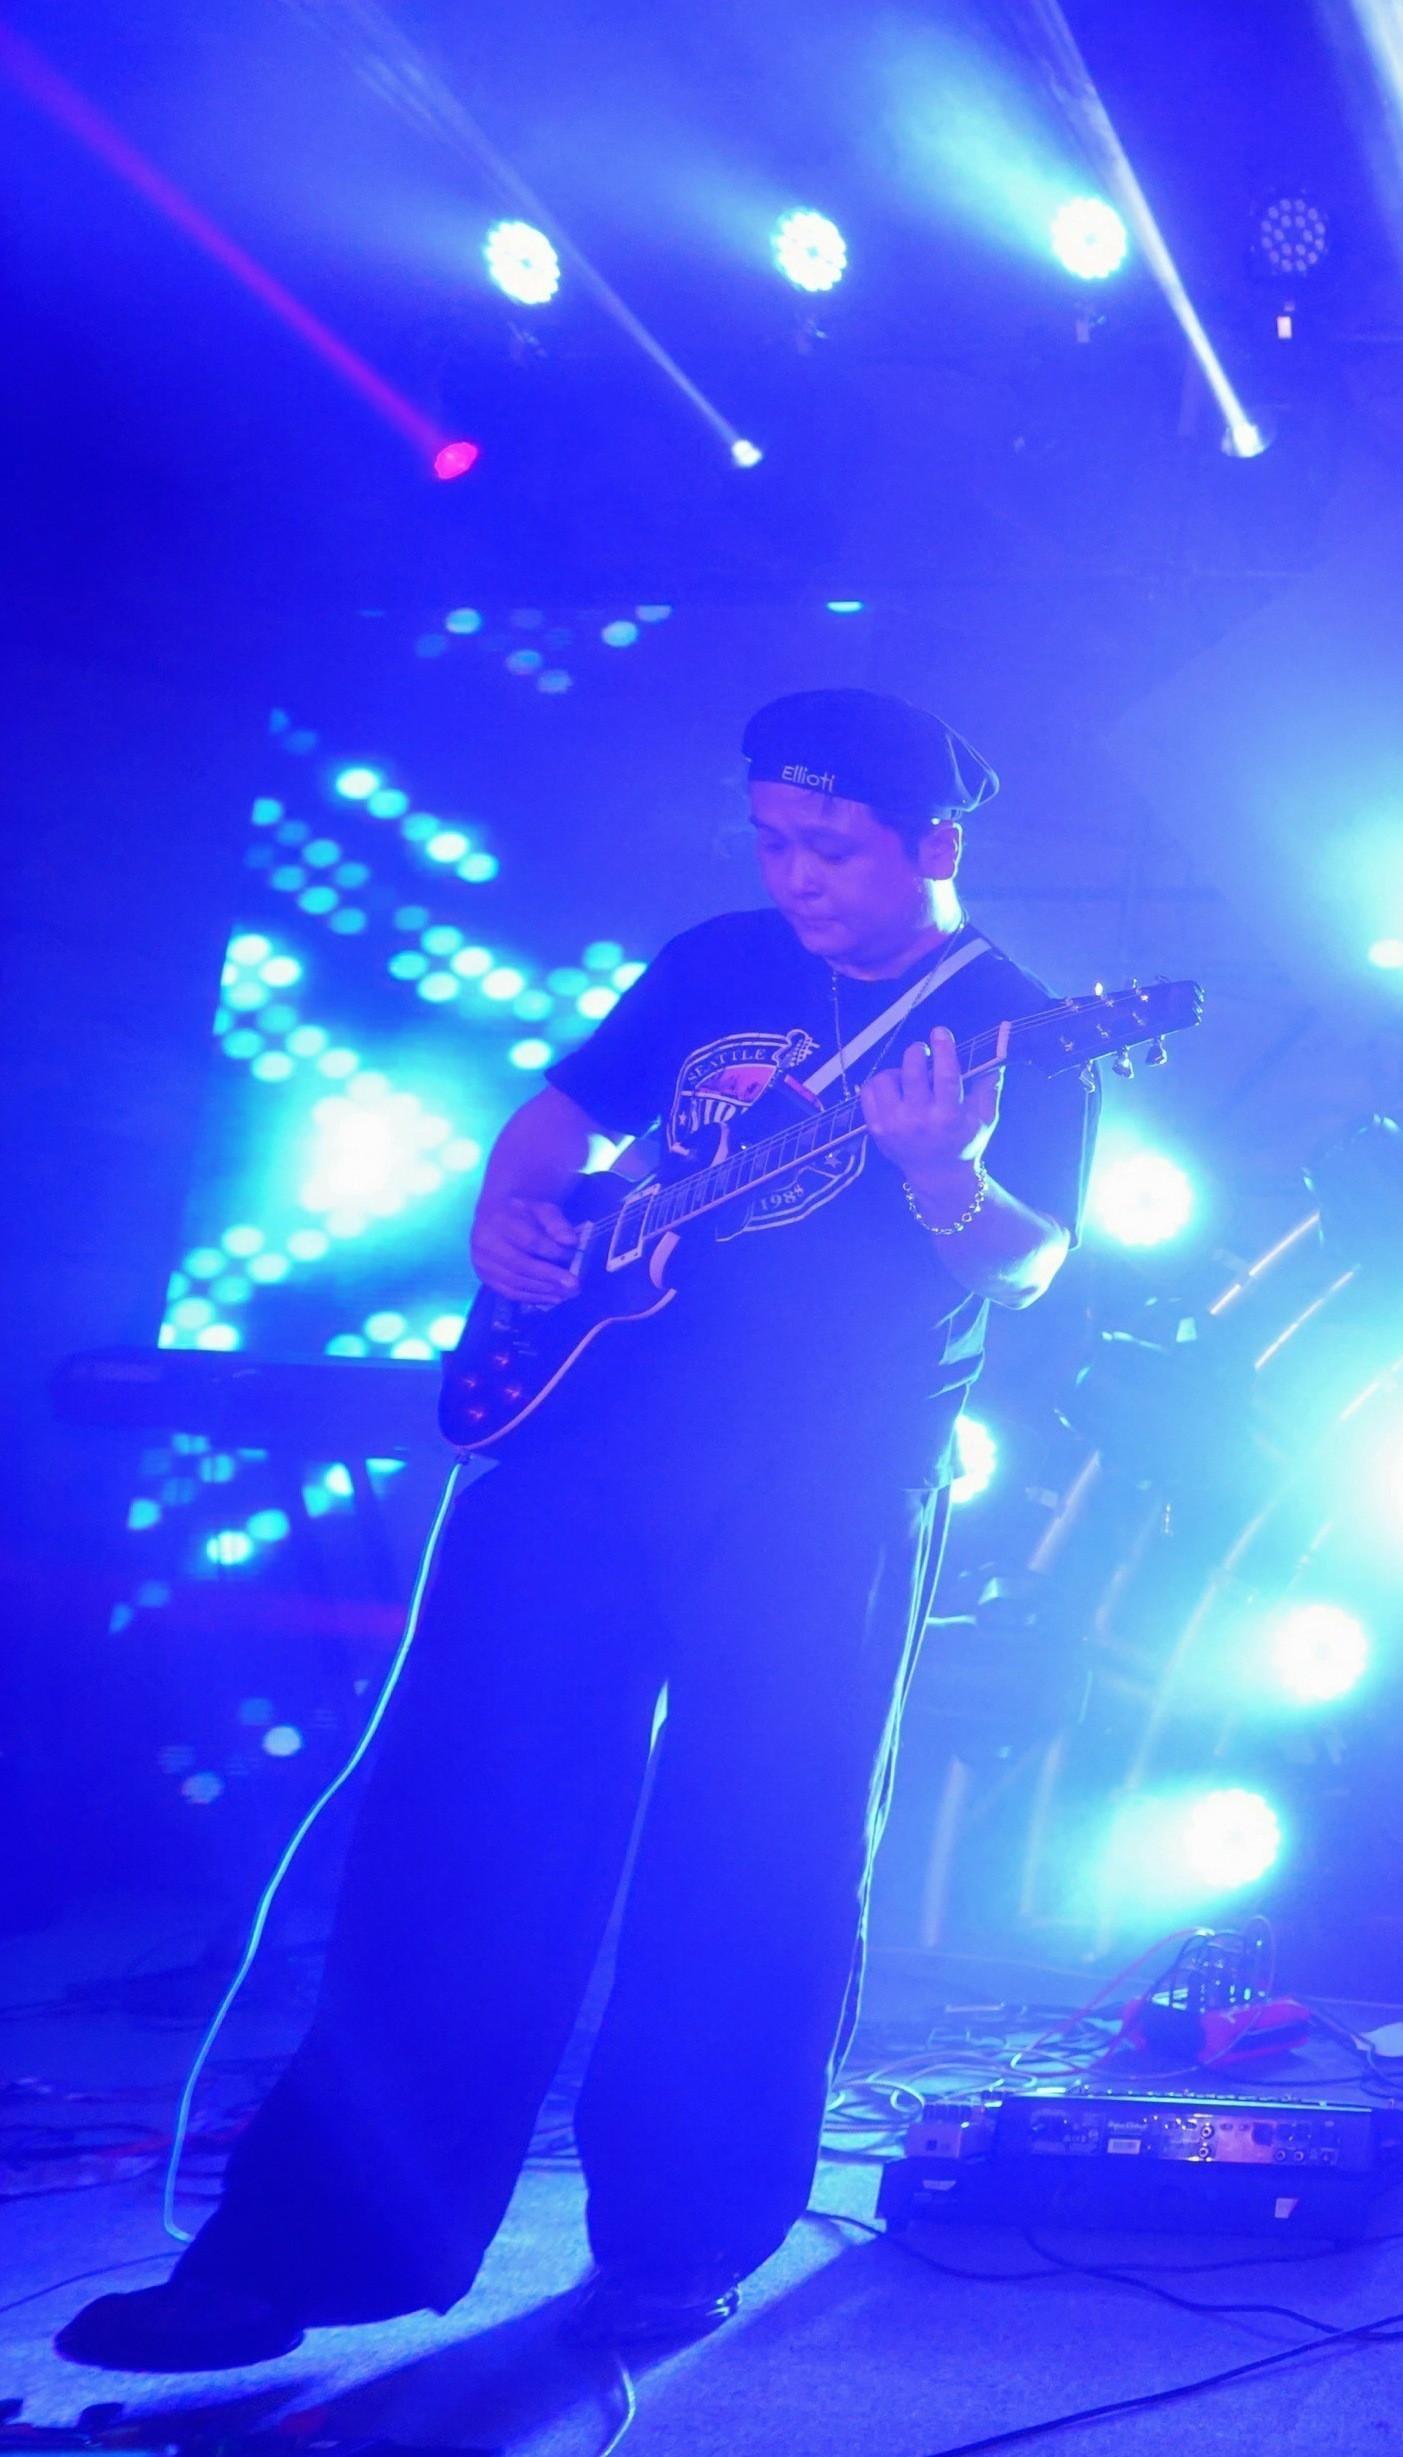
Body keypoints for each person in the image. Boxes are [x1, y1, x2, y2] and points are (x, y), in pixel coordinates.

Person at [64, 690, 1094, 2372]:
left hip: (828, 1479)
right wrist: (509, 1202)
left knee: (755, 1851)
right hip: (591, 1439)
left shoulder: (1011, 1023)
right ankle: (307, 2248)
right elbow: (564, 1109)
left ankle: (682, 2243)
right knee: (466, 1818)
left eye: (830, 848)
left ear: (935, 843)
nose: (793, 875)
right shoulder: (715, 961)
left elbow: (1034, 1263)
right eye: (771, 839)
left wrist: (943, 1174)